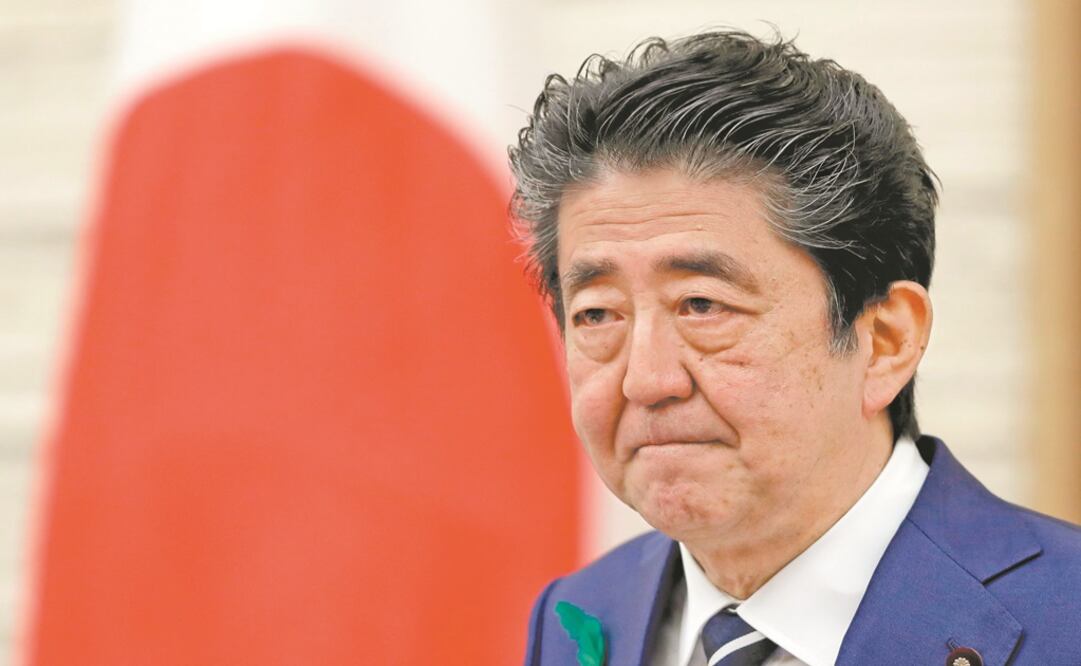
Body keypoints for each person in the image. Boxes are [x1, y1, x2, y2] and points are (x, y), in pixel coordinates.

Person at [509, 30, 1081, 666]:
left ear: (886, 341)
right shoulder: (581, 614)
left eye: (702, 305)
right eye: (597, 314)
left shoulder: (1063, 614)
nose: (645, 380)